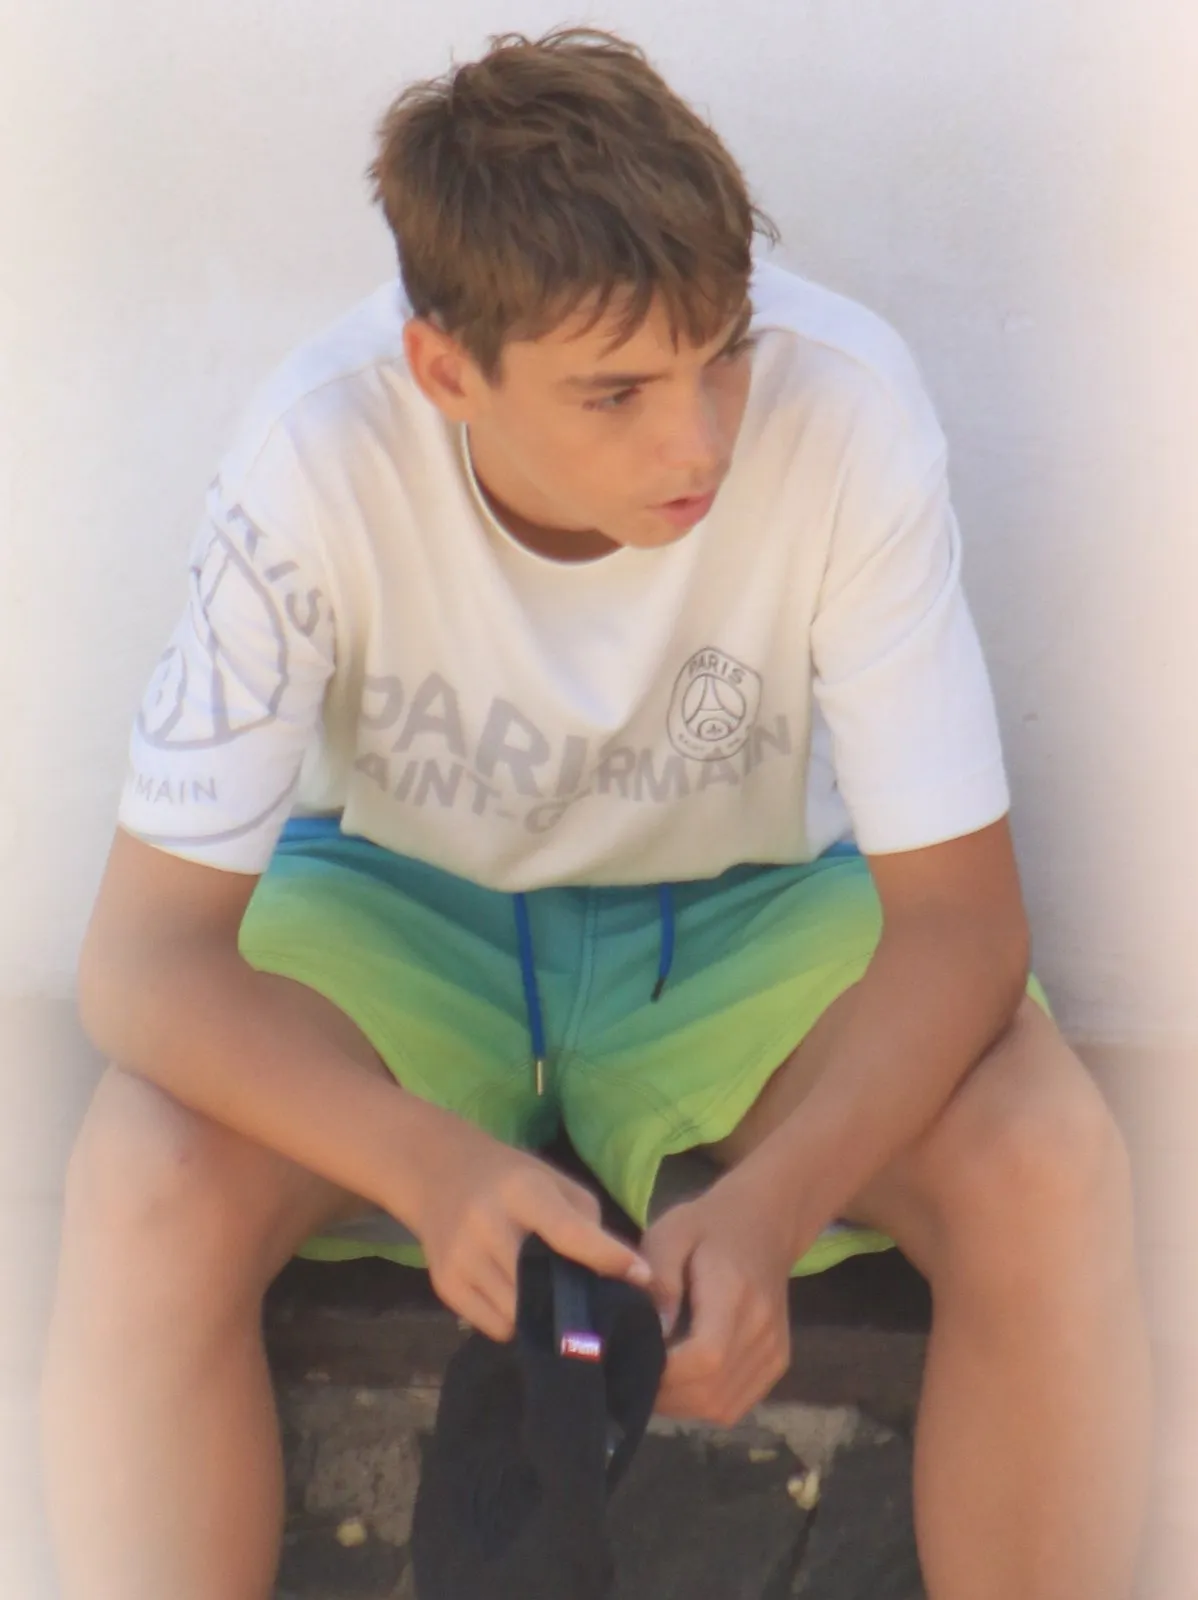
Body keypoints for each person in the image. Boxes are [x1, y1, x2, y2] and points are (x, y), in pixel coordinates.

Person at [41, 26, 1150, 1600]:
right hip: (403, 902)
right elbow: (144, 963)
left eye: (721, 352)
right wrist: (426, 1167)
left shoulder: (845, 408)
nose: (696, 439)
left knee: (1044, 1155)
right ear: (446, 372)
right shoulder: (315, 452)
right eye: (615, 391)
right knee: (144, 1176)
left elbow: (962, 928)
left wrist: (769, 1213)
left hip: (742, 910)